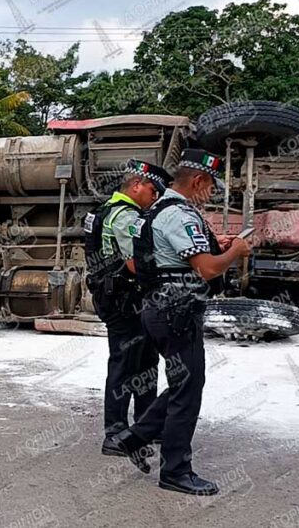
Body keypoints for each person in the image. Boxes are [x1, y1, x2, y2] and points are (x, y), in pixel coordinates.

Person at [113, 148, 252, 496]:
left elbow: (174, 256)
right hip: (177, 312)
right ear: (198, 180)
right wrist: (236, 251)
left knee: (183, 383)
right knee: (187, 391)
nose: (211, 193)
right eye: (210, 186)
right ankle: (175, 471)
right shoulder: (179, 214)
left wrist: (216, 245)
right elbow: (207, 269)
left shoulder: (157, 209)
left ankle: (135, 436)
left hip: (159, 309)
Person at [83, 160, 173, 459]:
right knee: (124, 365)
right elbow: (136, 263)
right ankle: (116, 434)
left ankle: (146, 427)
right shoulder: (126, 216)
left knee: (144, 361)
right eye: (152, 190)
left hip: (119, 297)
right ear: (136, 186)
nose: (154, 197)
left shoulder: (103, 210)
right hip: (125, 301)